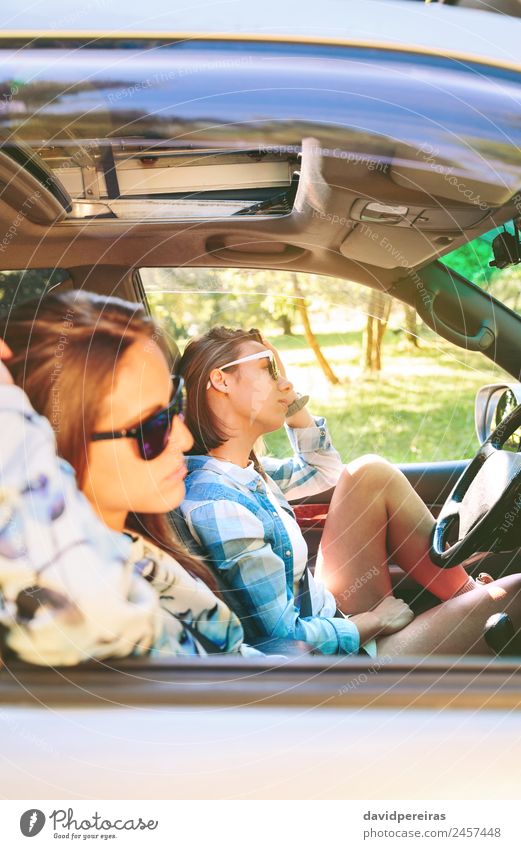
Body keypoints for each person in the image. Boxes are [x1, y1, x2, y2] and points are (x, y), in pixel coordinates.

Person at [176, 326, 521, 656]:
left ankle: (467, 593)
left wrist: (287, 399)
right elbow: (284, 640)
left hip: (328, 614)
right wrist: (372, 621)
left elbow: (325, 471)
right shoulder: (220, 505)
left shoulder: (243, 473)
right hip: (341, 661)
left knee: (370, 474)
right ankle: (473, 602)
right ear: (220, 380)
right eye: (268, 368)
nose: (286, 381)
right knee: (516, 594)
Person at [0, 293, 261, 665]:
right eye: (151, 428)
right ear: (51, 444)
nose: (185, 440)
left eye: (176, 404)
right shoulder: (76, 589)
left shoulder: (136, 543)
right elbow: (86, 610)